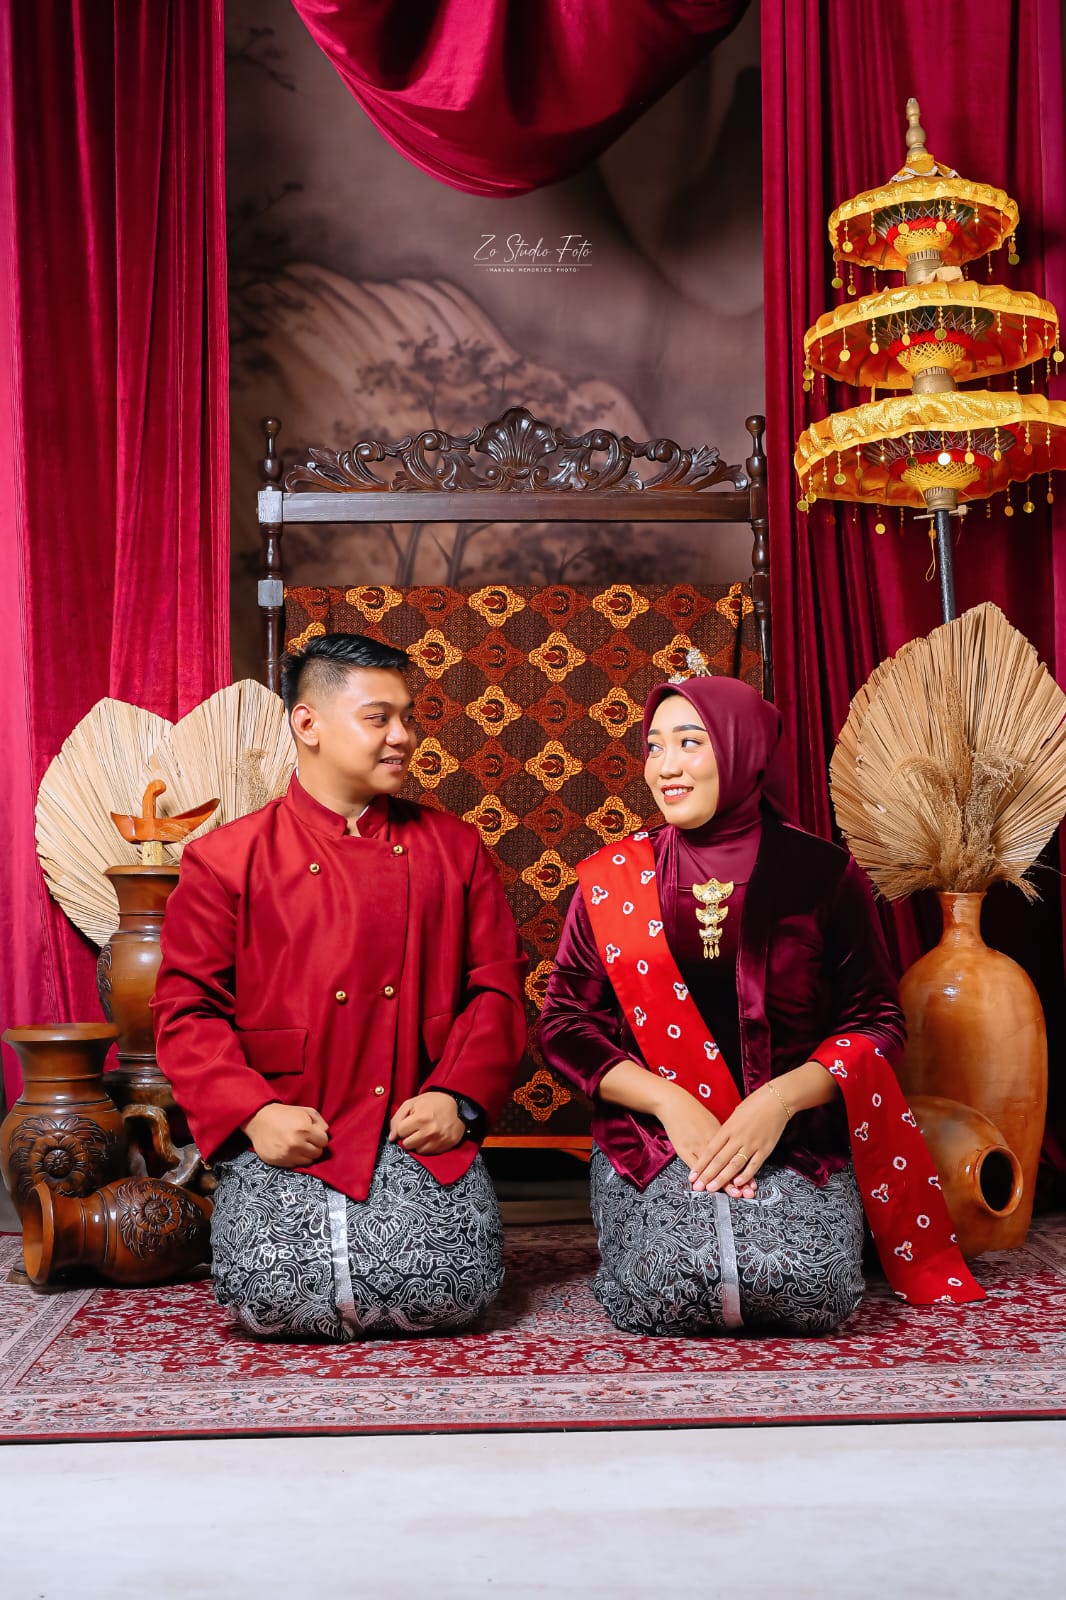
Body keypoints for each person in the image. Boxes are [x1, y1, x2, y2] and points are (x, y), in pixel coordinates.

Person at [539, 672, 982, 1336]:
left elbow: (878, 1022)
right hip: (656, 1140)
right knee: (668, 1287)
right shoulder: (611, 880)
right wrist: (669, 1103)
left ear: (741, 749)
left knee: (809, 1290)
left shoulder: (822, 875)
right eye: (654, 747)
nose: (666, 767)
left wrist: (779, 1102)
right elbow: (565, 1023)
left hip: (797, 1142)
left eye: (690, 743)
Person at [152, 633, 527, 1341]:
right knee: (270, 1297)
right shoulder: (225, 859)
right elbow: (185, 1010)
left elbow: (498, 988)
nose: (403, 736)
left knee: (454, 1288)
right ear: (308, 723)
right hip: (292, 1125)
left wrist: (457, 1097)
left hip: (415, 1123)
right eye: (378, 718)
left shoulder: (455, 849)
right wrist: (255, 1113)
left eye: (407, 717)